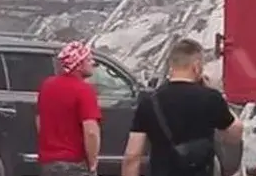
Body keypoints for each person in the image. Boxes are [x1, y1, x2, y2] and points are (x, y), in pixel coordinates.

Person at [122, 38, 244, 176]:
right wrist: (219, 97)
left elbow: (132, 155)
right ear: (196, 67)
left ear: (171, 66)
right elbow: (235, 134)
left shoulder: (149, 101)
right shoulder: (211, 98)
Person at [36, 41, 102, 176]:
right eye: (88, 59)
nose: (93, 63)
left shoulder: (47, 85)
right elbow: (91, 132)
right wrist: (93, 163)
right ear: (78, 65)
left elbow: (39, 120)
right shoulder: (84, 90)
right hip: (74, 164)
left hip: (48, 163)